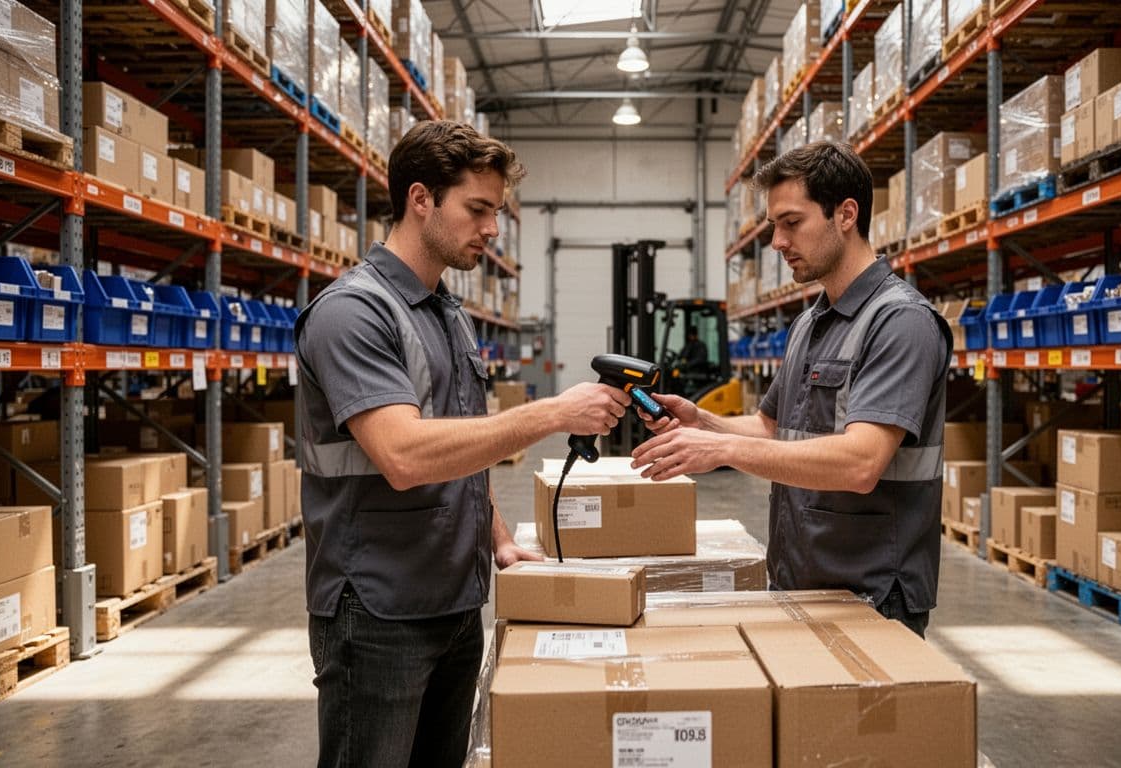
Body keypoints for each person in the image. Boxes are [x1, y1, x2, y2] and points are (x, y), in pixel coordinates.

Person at [294, 121, 632, 768]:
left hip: (454, 599)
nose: (492, 228)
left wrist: (498, 539)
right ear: (421, 199)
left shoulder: (446, 314)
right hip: (378, 608)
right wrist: (552, 413)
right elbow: (404, 455)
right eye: (478, 209)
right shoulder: (353, 312)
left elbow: (463, 449)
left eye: (496, 211)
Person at [630, 141, 952, 636]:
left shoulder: (900, 322)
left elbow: (861, 462)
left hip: (870, 595)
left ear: (846, 214)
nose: (777, 242)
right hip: (800, 578)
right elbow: (771, 427)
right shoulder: (809, 323)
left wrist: (720, 449)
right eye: (773, 226)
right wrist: (704, 422)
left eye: (792, 222)